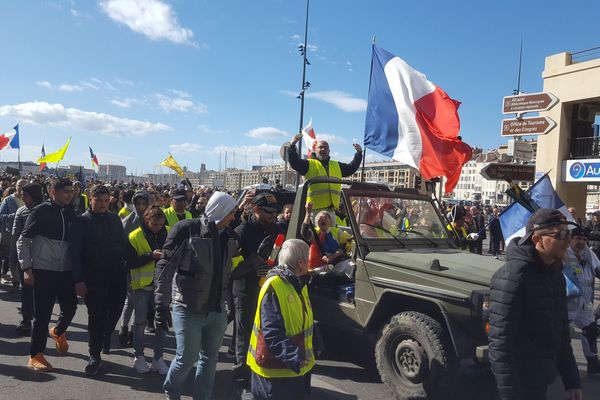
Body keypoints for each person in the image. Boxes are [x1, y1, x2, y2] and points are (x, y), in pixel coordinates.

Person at [488, 208, 582, 400]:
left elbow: (562, 332)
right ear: (537, 240)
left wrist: (571, 380)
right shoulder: (512, 277)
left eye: (568, 233)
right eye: (560, 234)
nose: (567, 240)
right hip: (520, 383)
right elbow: (500, 346)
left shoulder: (556, 274)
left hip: (542, 378)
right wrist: (510, 395)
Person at [155, 191, 239, 400]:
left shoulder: (230, 236)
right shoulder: (186, 229)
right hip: (187, 307)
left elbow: (231, 272)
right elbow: (164, 270)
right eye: (232, 212)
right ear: (221, 210)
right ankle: (172, 391)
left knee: (209, 358)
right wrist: (161, 304)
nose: (234, 217)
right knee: (186, 358)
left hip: (216, 311)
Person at [17, 178, 77, 372]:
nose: (69, 194)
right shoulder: (40, 211)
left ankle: (58, 331)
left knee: (70, 308)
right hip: (44, 270)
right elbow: (23, 241)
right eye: (65, 191)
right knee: (42, 315)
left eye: (71, 191)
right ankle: (36, 355)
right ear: (53, 191)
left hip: (66, 270)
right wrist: (27, 268)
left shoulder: (71, 212)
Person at [69, 185, 129, 375]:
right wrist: (78, 280)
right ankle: (94, 354)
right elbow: (74, 253)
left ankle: (106, 335)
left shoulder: (114, 219)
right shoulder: (82, 222)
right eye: (99, 200)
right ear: (91, 199)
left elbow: (123, 244)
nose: (103, 204)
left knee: (116, 311)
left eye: (105, 200)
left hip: (117, 276)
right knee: (96, 316)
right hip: (93, 278)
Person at [247, 239, 315, 400]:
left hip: (293, 368)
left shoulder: (299, 284)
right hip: (275, 372)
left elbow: (303, 319)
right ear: (300, 263)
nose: (311, 262)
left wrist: (316, 341)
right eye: (309, 258)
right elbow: (272, 332)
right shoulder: (275, 286)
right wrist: (295, 357)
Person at [231, 192, 283, 389]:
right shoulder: (241, 231)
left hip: (269, 289)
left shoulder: (277, 228)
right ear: (256, 210)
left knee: (266, 331)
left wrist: (274, 267)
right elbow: (232, 269)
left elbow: (281, 254)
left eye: (275, 212)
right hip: (245, 289)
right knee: (244, 332)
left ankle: (260, 367)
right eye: (269, 212)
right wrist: (253, 265)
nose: (273, 215)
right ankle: (241, 370)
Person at [127, 206, 169, 374]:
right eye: (155, 224)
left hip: (162, 285)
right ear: (147, 220)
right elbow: (129, 262)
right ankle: (139, 356)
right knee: (140, 323)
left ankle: (158, 358)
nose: (158, 227)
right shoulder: (134, 236)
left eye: (160, 224)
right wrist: (150, 256)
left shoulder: (168, 232)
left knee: (162, 323)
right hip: (142, 286)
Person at [287, 134, 362, 216]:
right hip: (314, 210)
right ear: (315, 150)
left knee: (332, 229)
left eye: (325, 147)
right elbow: (294, 162)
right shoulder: (309, 164)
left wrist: (359, 153)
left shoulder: (336, 165)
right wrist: (292, 146)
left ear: (329, 151)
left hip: (332, 210)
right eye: (320, 147)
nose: (323, 149)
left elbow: (351, 168)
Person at [563, 226, 600, 374]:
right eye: (578, 238)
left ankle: (593, 364)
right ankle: (556, 364)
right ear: (571, 238)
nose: (582, 242)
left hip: (584, 302)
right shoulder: (564, 253)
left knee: (591, 330)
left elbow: (598, 269)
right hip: (566, 303)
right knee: (560, 335)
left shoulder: (587, 253)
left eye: (585, 239)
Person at [119, 190, 151, 346]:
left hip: (148, 267)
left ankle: (133, 331)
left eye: (143, 204)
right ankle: (124, 328)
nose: (140, 207)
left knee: (141, 302)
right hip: (131, 267)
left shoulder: (151, 221)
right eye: (137, 204)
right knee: (130, 300)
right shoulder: (127, 222)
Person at [12, 183, 45, 336]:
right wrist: (15, 257)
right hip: (25, 258)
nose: (23, 198)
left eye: (26, 195)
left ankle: (41, 322)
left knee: (42, 293)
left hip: (44, 259)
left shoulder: (47, 210)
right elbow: (16, 237)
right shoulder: (21, 212)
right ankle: (26, 320)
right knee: (26, 292)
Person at [301, 202, 353, 279]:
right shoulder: (315, 232)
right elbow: (304, 233)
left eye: (326, 217)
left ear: (330, 222)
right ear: (316, 222)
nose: (323, 219)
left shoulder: (337, 232)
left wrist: (333, 256)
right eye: (320, 217)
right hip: (318, 267)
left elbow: (349, 242)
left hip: (336, 264)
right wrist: (308, 213)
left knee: (350, 265)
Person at [0, 178, 26, 287]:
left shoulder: (29, 200)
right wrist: (16, 215)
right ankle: (16, 281)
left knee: (22, 259)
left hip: (25, 235)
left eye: (23, 186)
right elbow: (1, 216)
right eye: (19, 185)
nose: (21, 188)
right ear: (15, 186)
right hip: (10, 234)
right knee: (11, 258)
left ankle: (20, 280)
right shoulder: (8, 200)